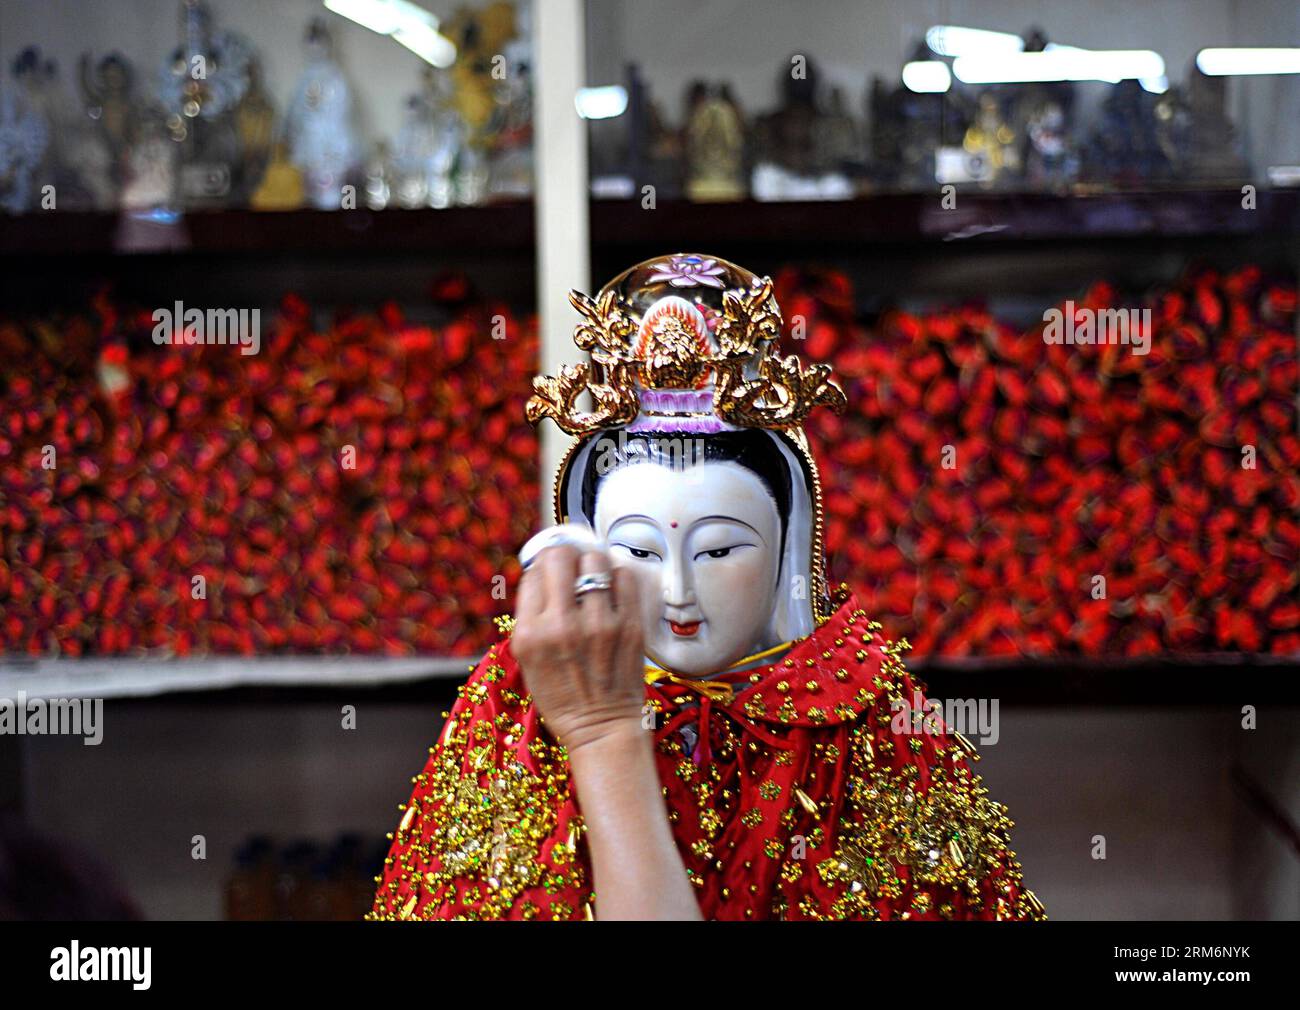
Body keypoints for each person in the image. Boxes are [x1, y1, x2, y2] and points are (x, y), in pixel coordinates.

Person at [368, 254, 1045, 921]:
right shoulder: (519, 696)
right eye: (637, 549)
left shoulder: (865, 711)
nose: (677, 590)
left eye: (719, 548)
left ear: (787, 549)